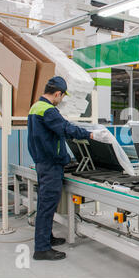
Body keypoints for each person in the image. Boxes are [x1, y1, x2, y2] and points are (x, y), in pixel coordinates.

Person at [27, 76, 93, 261]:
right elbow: (65, 129)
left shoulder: (35, 107)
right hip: (50, 165)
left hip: (42, 162)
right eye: (62, 96)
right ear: (57, 93)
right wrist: (91, 134)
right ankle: (41, 248)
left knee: (45, 204)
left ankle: (47, 238)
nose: (61, 100)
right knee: (47, 205)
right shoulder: (49, 110)